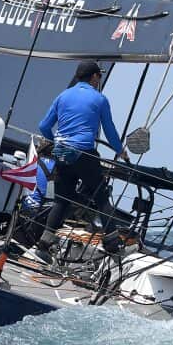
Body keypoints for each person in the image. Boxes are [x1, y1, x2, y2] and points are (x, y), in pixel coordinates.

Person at [28, 61, 127, 265]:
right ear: (93, 77)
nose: (99, 79)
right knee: (101, 198)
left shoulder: (63, 96)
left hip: (62, 153)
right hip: (84, 153)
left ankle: (44, 245)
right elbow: (109, 130)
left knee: (61, 200)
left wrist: (55, 142)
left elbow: (44, 126)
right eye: (99, 76)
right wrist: (121, 151)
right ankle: (113, 246)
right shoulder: (100, 99)